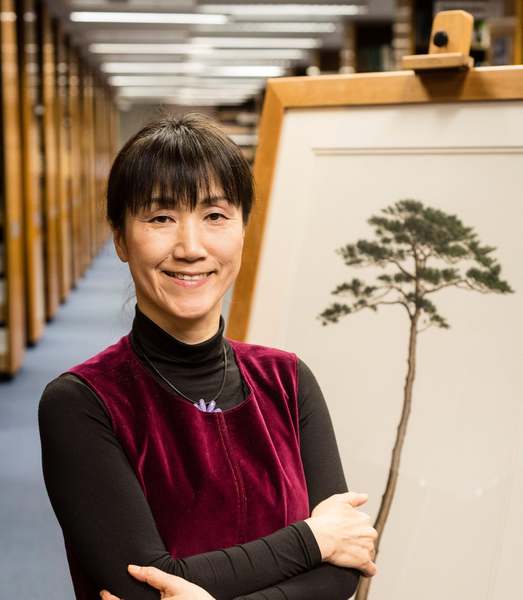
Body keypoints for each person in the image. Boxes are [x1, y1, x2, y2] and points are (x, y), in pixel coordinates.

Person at [38, 113, 377, 600]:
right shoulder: (82, 402)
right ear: (120, 238)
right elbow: (143, 586)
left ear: (243, 230)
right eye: (160, 218)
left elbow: (343, 570)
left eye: (215, 216)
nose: (191, 247)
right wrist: (313, 539)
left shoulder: (287, 379)